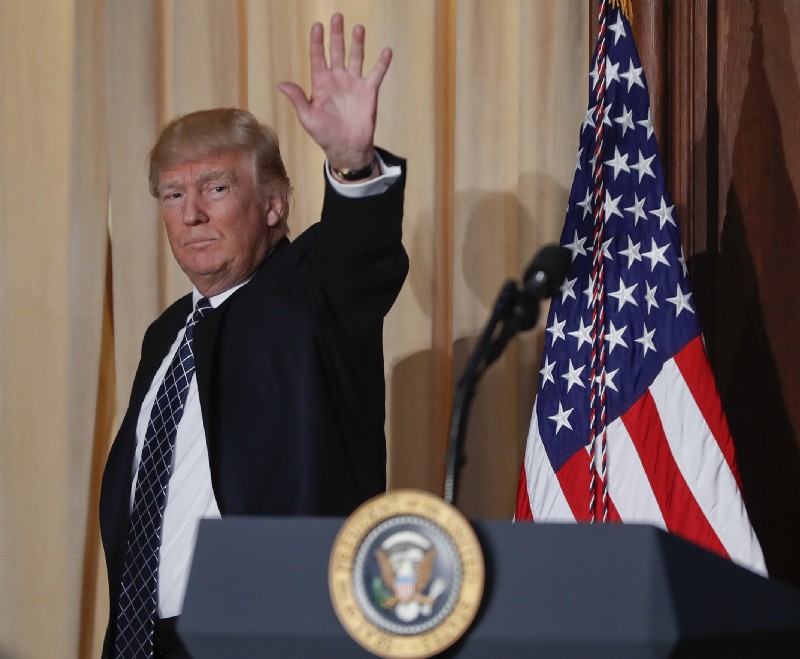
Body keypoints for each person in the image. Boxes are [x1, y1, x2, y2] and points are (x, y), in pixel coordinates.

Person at [99, 14, 407, 659]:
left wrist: (351, 164)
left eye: (216, 187)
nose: (192, 214)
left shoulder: (311, 291)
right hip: (145, 640)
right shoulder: (166, 334)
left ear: (273, 203)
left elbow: (360, 254)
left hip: (270, 630)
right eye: (172, 194)